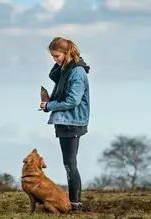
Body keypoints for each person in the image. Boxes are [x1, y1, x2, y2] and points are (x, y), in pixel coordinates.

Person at [39, 36, 90, 213]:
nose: (55, 60)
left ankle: (75, 205)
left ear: (67, 53)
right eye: (53, 57)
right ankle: (73, 204)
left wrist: (49, 106)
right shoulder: (67, 70)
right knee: (68, 163)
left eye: (57, 56)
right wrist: (61, 64)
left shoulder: (77, 72)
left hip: (73, 121)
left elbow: (72, 100)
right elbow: (56, 77)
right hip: (66, 121)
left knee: (70, 164)